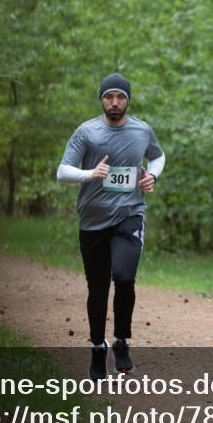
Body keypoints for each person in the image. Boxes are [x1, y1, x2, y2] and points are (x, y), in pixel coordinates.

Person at [56, 73, 165, 381]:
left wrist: (152, 176)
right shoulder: (87, 132)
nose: (114, 102)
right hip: (92, 221)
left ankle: (121, 341)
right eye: (109, 97)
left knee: (125, 277)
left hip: (130, 215)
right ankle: (97, 348)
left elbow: (158, 156)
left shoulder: (142, 130)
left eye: (120, 97)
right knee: (98, 287)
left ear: (128, 100)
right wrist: (90, 174)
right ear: (101, 100)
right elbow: (62, 171)